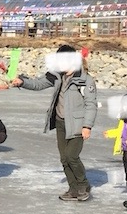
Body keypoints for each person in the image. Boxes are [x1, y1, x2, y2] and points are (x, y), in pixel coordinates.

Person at [10, 44, 98, 202]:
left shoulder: (85, 79)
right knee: (64, 158)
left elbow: (91, 104)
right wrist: (22, 82)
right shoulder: (57, 75)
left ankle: (83, 185)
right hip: (60, 122)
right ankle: (73, 189)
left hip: (77, 124)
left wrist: (87, 126)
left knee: (72, 156)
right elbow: (38, 84)